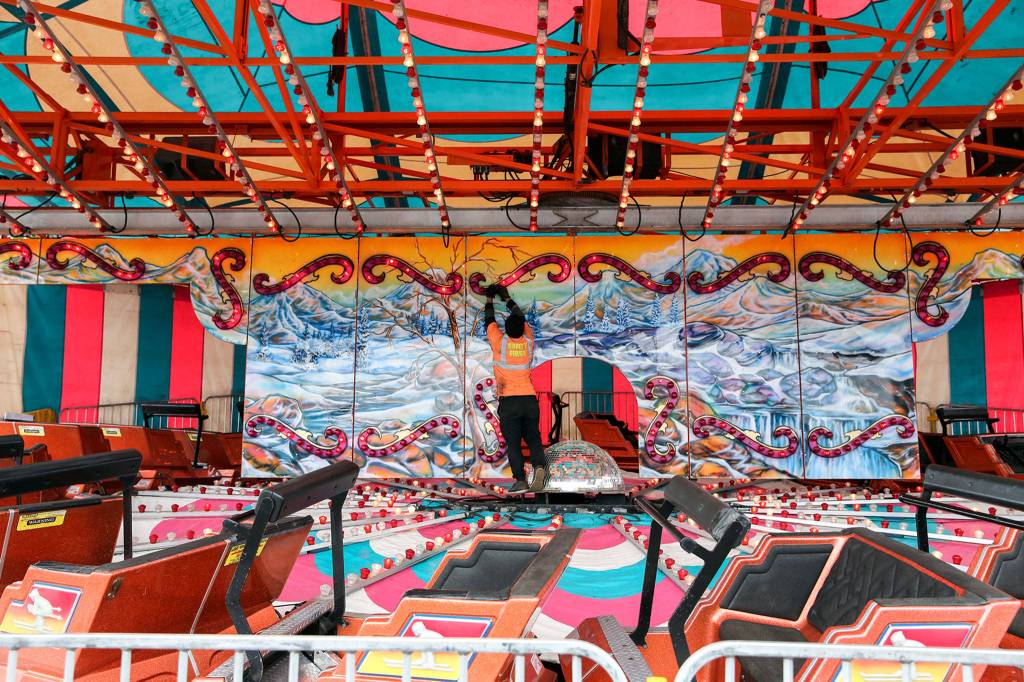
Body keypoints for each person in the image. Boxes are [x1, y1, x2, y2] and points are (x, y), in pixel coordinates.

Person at [484, 283, 547, 493]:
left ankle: (520, 480)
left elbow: (489, 319)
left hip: (509, 401)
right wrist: (507, 297)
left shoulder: (499, 343)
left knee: (513, 443)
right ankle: (539, 467)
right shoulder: (529, 342)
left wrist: (490, 298)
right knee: (533, 438)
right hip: (529, 400)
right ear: (521, 328)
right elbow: (519, 316)